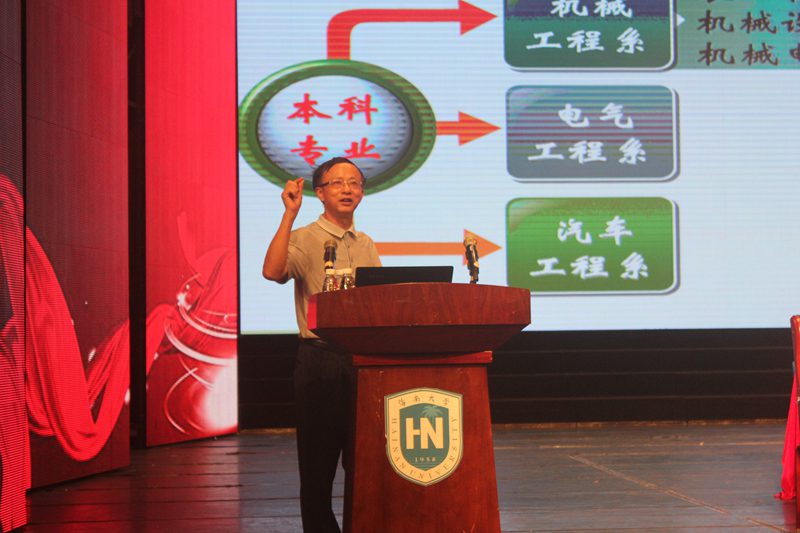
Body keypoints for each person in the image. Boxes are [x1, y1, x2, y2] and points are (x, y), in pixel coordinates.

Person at [262, 157, 381, 532]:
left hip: (362, 362)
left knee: (364, 463)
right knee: (318, 467)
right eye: (338, 183)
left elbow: (378, 303)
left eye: (355, 183)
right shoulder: (305, 237)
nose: (348, 189)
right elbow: (273, 272)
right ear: (320, 193)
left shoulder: (366, 243)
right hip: (320, 361)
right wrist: (289, 215)